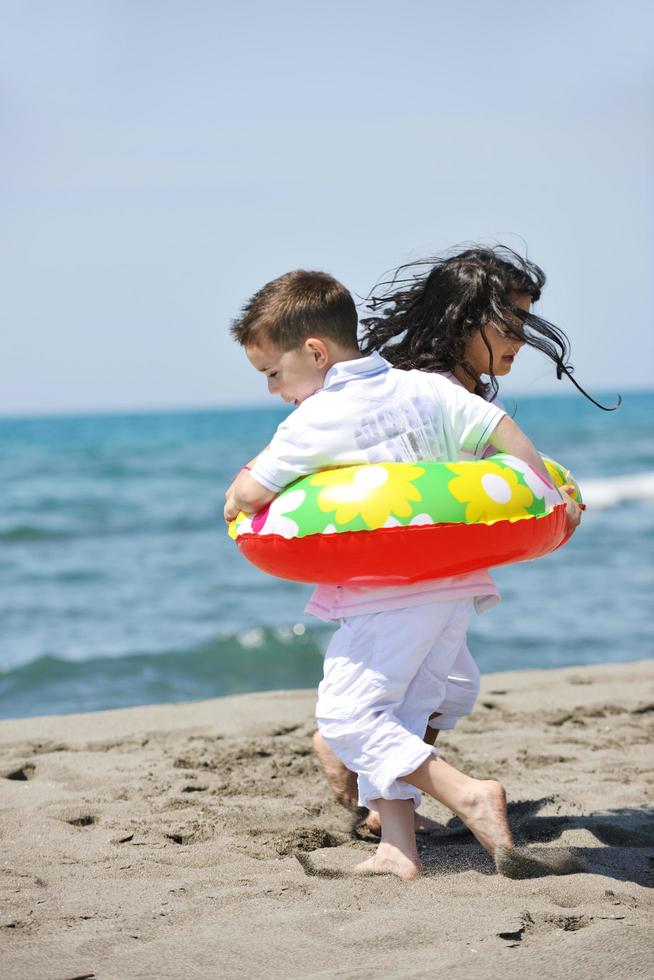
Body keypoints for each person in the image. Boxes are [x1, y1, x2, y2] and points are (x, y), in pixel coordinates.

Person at [224, 267, 581, 880]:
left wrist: (242, 497)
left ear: (314, 351)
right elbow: (504, 434)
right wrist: (545, 493)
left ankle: (467, 794)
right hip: (454, 587)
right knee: (402, 712)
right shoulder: (426, 389)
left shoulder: (315, 420)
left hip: (382, 596)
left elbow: (245, 497)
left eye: (273, 373)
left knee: (348, 719)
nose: (274, 390)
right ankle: (397, 846)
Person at [312, 246, 589, 836]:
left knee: (454, 686)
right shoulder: (425, 392)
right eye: (508, 323)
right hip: (397, 583)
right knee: (399, 697)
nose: (522, 338)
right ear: (464, 321)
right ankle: (373, 787)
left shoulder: (455, 387)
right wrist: (551, 498)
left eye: (525, 322)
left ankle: (381, 803)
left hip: (441, 581)